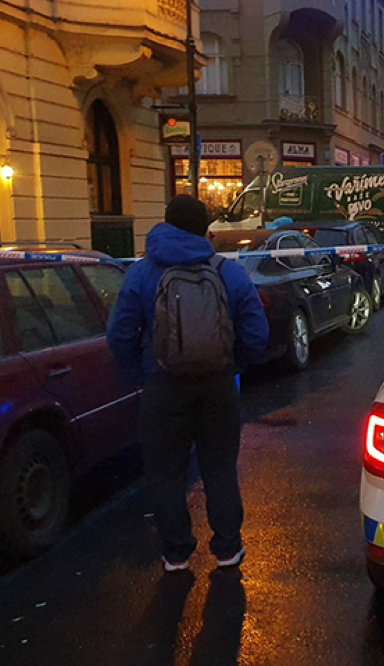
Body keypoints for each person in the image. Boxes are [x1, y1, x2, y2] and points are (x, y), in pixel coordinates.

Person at [108, 195, 269, 572]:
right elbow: (256, 332)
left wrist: (141, 371)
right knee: (219, 467)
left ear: (166, 224)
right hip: (217, 384)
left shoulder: (142, 272)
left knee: (166, 473)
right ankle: (228, 549)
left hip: (162, 384)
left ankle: (176, 554)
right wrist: (233, 365)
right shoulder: (227, 271)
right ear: (205, 230)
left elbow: (119, 334)